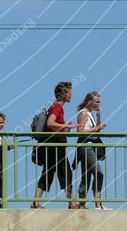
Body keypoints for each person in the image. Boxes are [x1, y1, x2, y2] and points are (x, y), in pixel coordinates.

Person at [31, 81, 77, 209]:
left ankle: (36, 202)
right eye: (69, 93)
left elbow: (53, 125)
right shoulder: (57, 107)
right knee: (65, 173)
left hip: (52, 146)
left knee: (48, 173)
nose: (71, 95)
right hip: (56, 146)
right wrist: (67, 126)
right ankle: (72, 203)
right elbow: (50, 123)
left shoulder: (55, 106)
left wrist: (64, 129)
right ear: (63, 95)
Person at [75, 91, 106, 209]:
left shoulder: (90, 114)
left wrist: (98, 117)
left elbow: (96, 131)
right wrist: (97, 127)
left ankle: (82, 205)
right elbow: (80, 131)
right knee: (99, 173)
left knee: (86, 176)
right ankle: (98, 204)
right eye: (97, 102)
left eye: (99, 102)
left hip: (90, 146)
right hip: (86, 146)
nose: (99, 104)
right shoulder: (83, 113)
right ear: (89, 102)